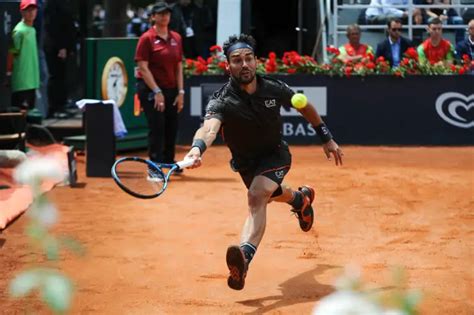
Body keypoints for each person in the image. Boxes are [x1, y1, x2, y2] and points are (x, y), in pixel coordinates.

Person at [183, 34, 343, 290]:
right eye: (237, 60)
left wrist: (326, 137)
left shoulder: (273, 88)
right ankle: (301, 200)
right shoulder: (221, 100)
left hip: (275, 154)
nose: (244, 64)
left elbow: (304, 107)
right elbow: (209, 129)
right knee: (270, 194)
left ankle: (244, 256)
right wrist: (196, 149)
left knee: (257, 196)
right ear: (228, 66)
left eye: (248, 59)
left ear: (256, 62)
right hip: (246, 163)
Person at [134, 2, 185, 169]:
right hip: (150, 90)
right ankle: (154, 167)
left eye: (167, 13)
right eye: (160, 13)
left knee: (172, 127)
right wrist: (156, 91)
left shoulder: (176, 37)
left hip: (171, 90)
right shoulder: (146, 38)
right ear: (153, 17)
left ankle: (169, 163)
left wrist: (181, 92)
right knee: (157, 127)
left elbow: (178, 67)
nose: (164, 16)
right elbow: (143, 67)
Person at [43, 0, 77, 118]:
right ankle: (55, 107)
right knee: (57, 77)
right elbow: (53, 25)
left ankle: (62, 104)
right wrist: (61, 46)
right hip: (55, 47)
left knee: (62, 76)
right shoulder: (53, 4)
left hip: (63, 46)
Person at [6, 0, 40, 111]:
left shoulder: (32, 29)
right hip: (21, 81)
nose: (31, 13)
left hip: (32, 81)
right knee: (20, 114)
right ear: (22, 12)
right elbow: (11, 53)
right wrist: (9, 74)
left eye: (33, 9)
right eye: (27, 10)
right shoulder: (18, 31)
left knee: (30, 113)